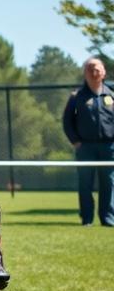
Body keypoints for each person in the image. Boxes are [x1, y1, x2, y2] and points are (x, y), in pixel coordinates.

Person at [62, 57, 114, 226]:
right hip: (85, 147)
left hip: (109, 147)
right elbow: (67, 121)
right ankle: (87, 218)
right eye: (90, 69)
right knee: (85, 184)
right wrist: (75, 141)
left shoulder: (111, 95)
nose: (94, 72)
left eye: (97, 69)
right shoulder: (77, 96)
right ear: (85, 73)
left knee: (109, 183)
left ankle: (108, 218)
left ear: (104, 72)